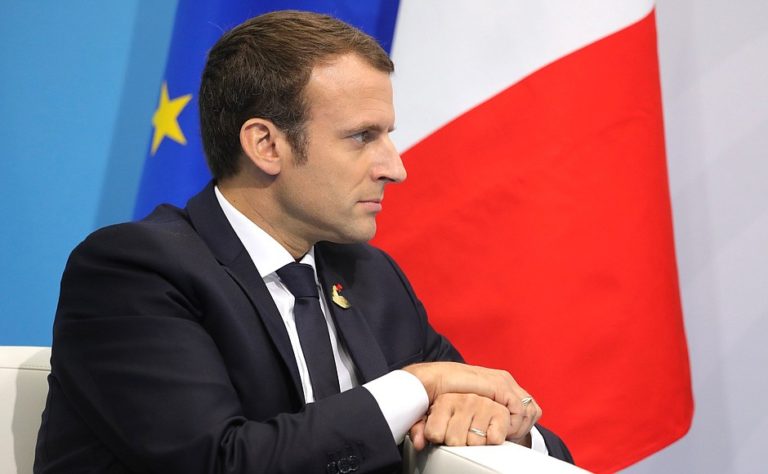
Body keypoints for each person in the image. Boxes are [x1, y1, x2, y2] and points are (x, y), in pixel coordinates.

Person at [34, 10, 572, 473]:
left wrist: (507, 427)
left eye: (388, 135)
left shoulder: (371, 278)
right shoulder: (135, 272)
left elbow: (502, 421)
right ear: (266, 145)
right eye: (362, 137)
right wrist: (414, 387)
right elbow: (220, 463)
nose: (395, 168)